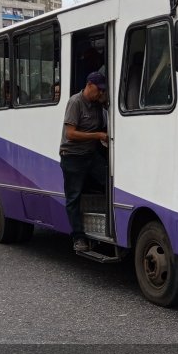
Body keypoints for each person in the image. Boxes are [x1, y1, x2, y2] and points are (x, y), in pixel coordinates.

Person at [59, 71, 108, 252]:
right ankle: (78, 238)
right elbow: (70, 134)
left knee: (109, 182)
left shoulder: (97, 105)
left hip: (90, 155)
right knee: (74, 197)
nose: (100, 93)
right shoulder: (75, 102)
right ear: (89, 85)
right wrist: (97, 135)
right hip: (72, 156)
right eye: (98, 90)